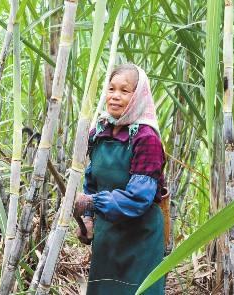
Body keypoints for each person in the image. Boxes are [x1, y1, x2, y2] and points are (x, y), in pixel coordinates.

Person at [73, 63, 166, 295]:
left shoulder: (146, 138)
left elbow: (138, 198)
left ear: (138, 96)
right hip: (107, 235)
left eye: (124, 91)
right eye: (111, 89)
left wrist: (92, 203)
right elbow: (91, 181)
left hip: (140, 237)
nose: (115, 96)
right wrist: (88, 219)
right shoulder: (99, 132)